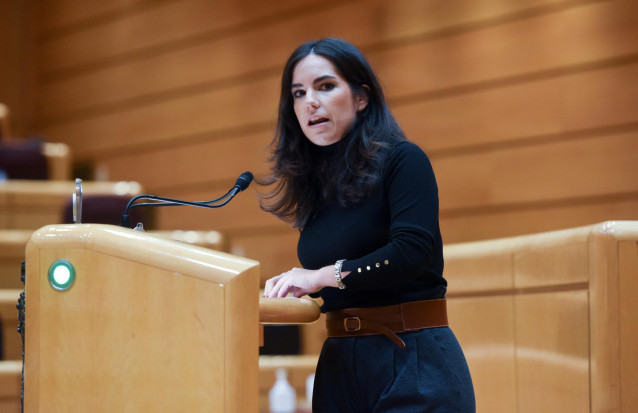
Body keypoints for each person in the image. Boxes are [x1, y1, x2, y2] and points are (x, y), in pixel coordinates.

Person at [261, 38, 475, 412]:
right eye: (298, 93)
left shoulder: (403, 160)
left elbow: (411, 252)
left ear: (361, 97)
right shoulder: (317, 189)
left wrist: (321, 276)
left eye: (325, 86)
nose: (309, 101)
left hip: (412, 359)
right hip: (340, 366)